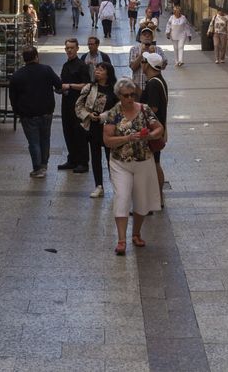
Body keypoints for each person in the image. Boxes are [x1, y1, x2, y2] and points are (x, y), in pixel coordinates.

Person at [103, 78, 165, 255]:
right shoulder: (113, 114)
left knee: (141, 200)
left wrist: (150, 136)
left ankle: (136, 233)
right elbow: (107, 140)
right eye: (126, 95)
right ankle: (121, 240)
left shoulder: (144, 109)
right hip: (120, 163)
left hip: (143, 161)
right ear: (119, 96)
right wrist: (127, 138)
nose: (130, 98)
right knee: (122, 196)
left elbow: (159, 128)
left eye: (132, 95)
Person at [8, 46, 63, 178]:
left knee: (33, 142)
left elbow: (13, 97)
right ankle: (44, 165)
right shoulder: (46, 70)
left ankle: (37, 168)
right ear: (36, 56)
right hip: (46, 111)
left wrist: (17, 111)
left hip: (28, 114)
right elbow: (59, 85)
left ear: (24, 59)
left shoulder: (17, 75)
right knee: (45, 139)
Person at [75, 61, 116, 199]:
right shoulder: (90, 88)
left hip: (109, 128)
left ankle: (116, 185)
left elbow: (118, 110)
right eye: (96, 69)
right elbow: (79, 105)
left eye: (101, 69)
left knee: (111, 158)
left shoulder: (115, 89)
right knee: (96, 157)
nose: (97, 71)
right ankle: (99, 186)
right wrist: (88, 115)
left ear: (108, 73)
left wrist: (104, 117)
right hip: (93, 128)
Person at [58, 38, 91, 174]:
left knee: (80, 133)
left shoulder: (82, 66)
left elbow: (87, 85)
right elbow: (62, 81)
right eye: (67, 48)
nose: (69, 50)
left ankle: (83, 162)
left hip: (79, 105)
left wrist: (70, 86)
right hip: (66, 104)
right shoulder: (66, 65)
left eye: (72, 48)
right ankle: (72, 159)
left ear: (77, 49)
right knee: (68, 131)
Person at [140, 51, 169, 207]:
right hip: (158, 130)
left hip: (153, 132)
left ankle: (157, 198)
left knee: (154, 164)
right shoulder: (158, 81)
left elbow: (153, 108)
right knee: (155, 163)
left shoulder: (152, 84)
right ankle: (158, 197)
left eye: (144, 61)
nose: (141, 64)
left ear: (149, 65)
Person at [164, 3, 193, 68]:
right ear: (174, 12)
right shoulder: (171, 18)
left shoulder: (183, 18)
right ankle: (176, 61)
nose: (178, 13)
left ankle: (181, 60)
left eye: (179, 12)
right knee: (176, 48)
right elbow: (168, 25)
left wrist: (189, 35)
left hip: (182, 35)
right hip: (173, 35)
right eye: (176, 12)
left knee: (181, 47)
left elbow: (187, 26)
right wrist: (167, 33)